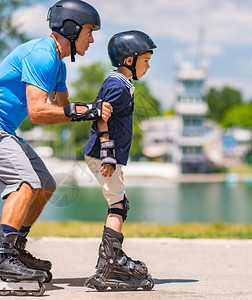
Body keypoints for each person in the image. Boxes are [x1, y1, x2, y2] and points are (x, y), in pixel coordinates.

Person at [0, 0, 112, 289]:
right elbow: (38, 112)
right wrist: (83, 110)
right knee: (24, 182)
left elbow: (64, 110)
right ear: (71, 28)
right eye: (89, 31)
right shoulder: (41, 55)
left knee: (44, 183)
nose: (92, 39)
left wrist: (94, 113)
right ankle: (0, 255)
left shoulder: (58, 67)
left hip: (1, 129)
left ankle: (13, 248)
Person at [83, 30, 157, 291]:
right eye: (145, 61)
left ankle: (109, 261)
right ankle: (111, 263)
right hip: (105, 156)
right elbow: (100, 115)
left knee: (118, 203)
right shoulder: (117, 85)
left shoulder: (121, 83)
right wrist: (108, 153)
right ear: (130, 61)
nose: (148, 66)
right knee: (118, 205)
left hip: (108, 155)